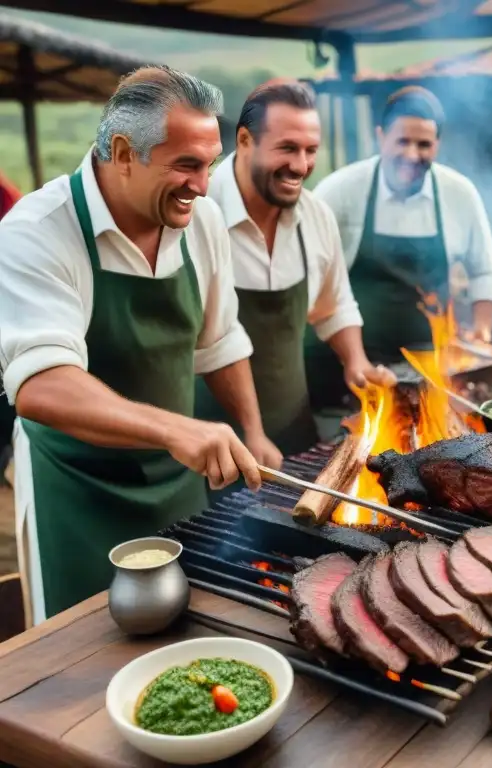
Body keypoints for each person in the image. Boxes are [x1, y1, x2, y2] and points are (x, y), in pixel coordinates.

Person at [0, 66, 281, 624]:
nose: (203, 186)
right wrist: (178, 428)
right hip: (75, 492)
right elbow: (41, 385)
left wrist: (253, 432)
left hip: (175, 485)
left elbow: (219, 342)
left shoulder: (202, 222)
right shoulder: (36, 231)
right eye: (186, 165)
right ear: (125, 152)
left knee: (187, 631)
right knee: (78, 658)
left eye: (210, 165)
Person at [201, 79, 395, 460]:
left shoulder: (315, 216)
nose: (301, 166)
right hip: (208, 443)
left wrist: (355, 360)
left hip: (293, 435)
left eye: (311, 150)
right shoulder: (198, 211)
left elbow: (334, 304)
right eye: (287, 148)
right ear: (244, 141)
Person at [311, 85, 492, 411]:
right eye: (403, 141)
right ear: (380, 136)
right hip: (348, 365)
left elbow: (485, 272)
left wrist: (481, 335)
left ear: (438, 145)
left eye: (424, 144)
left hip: (428, 371)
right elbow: (312, 281)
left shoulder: (459, 194)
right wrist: (352, 357)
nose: (413, 155)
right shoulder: (340, 191)